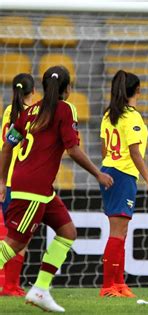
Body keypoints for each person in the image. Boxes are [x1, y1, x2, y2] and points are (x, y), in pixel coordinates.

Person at [0, 65, 113, 312]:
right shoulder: (64, 108)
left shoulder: (30, 111)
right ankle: (40, 289)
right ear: (67, 88)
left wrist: (1, 181)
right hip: (33, 188)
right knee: (14, 243)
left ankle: (40, 289)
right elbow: (72, 149)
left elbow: (8, 146)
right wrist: (98, 173)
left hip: (37, 187)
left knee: (67, 232)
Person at [99, 70, 148, 298]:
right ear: (138, 90)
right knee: (117, 231)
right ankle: (107, 286)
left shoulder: (109, 115)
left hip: (110, 170)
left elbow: (105, 149)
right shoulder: (132, 117)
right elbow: (135, 152)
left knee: (121, 231)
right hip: (123, 174)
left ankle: (119, 283)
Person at [0, 73, 35, 297]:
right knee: (20, 237)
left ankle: (11, 285)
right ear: (32, 93)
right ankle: (11, 285)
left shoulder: (7, 112)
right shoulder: (29, 115)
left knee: (16, 235)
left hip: (6, 179)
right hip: (20, 181)